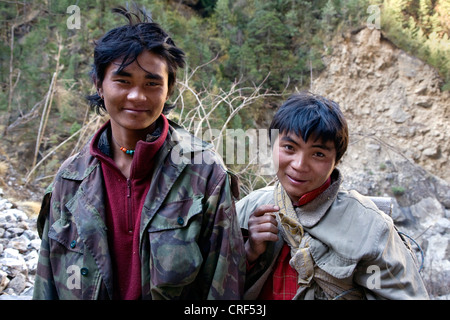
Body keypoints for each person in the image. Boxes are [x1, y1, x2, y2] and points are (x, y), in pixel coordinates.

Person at [33, 7, 245, 300]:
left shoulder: (204, 171)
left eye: (151, 83)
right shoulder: (70, 181)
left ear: (168, 90)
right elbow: (47, 286)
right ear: (99, 84)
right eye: (123, 80)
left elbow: (224, 285)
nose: (137, 95)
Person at [237, 92, 429, 300]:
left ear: (336, 160)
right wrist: (249, 253)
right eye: (289, 148)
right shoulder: (248, 209)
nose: (299, 165)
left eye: (318, 154)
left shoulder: (370, 227)